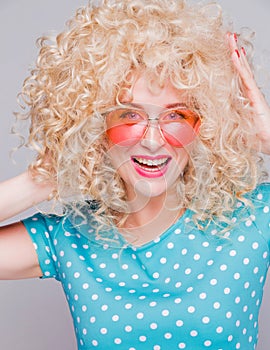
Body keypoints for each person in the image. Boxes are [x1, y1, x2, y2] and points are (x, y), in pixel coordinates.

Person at [1, 0, 270, 349]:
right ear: (97, 125)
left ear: (204, 125)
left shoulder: (251, 217)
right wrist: (44, 178)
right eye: (129, 115)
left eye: (177, 116)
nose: (154, 141)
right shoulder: (69, 238)